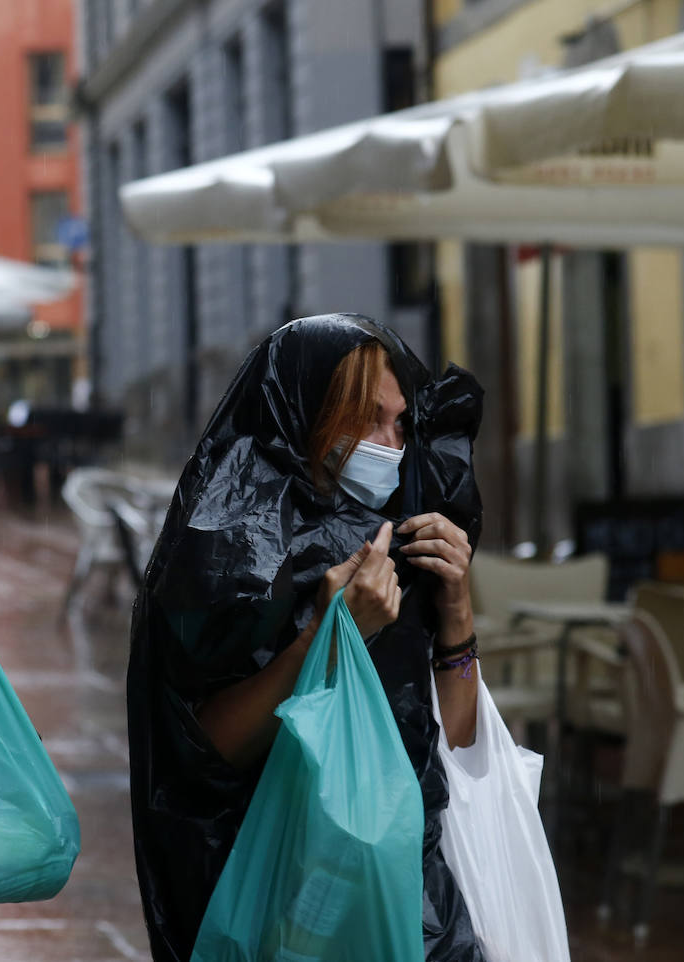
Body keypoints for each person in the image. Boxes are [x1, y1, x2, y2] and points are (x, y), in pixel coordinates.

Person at [128, 314, 488, 962]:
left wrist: (456, 607)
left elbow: (453, 738)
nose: (388, 443)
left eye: (399, 424)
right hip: (289, 884)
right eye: (364, 420)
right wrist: (326, 637)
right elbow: (205, 749)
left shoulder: (404, 540)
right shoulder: (234, 550)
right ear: (301, 414)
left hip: (410, 880)